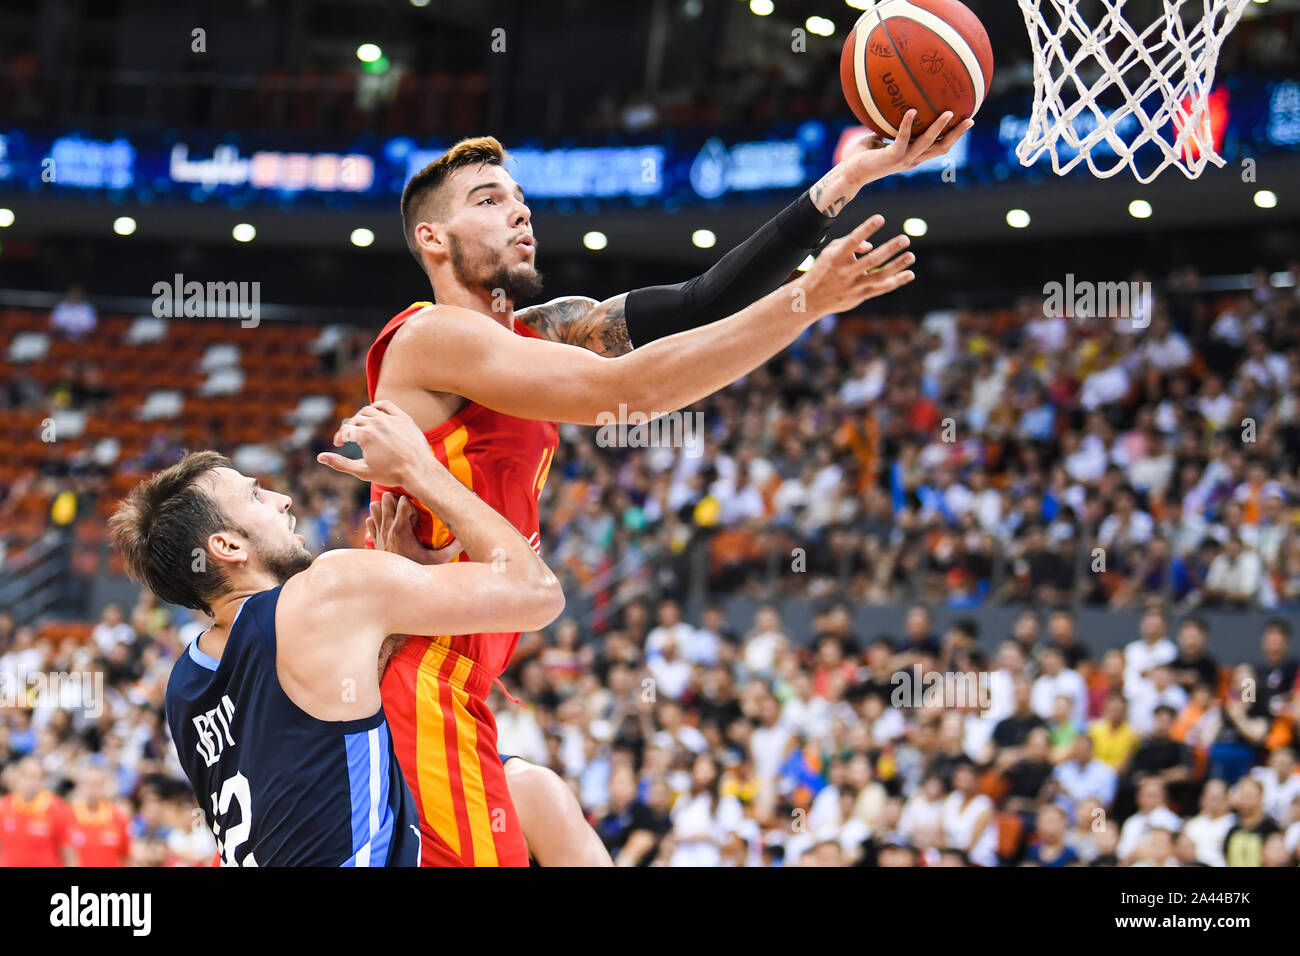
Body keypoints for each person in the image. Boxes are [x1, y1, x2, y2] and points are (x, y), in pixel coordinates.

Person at [362, 122, 955, 865]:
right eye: (489, 200)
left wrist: (844, 184)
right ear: (433, 239)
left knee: (552, 812)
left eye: (522, 200)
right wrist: (809, 299)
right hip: (417, 672)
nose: (520, 213)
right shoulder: (429, 337)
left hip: (459, 674)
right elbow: (632, 391)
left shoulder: (539, 332)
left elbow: (701, 301)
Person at [111, 401, 564, 866]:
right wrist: (420, 468)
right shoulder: (325, 591)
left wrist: (390, 603)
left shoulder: (184, 684)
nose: (281, 500)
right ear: (227, 546)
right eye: (254, 497)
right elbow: (537, 592)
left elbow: (318, 737)